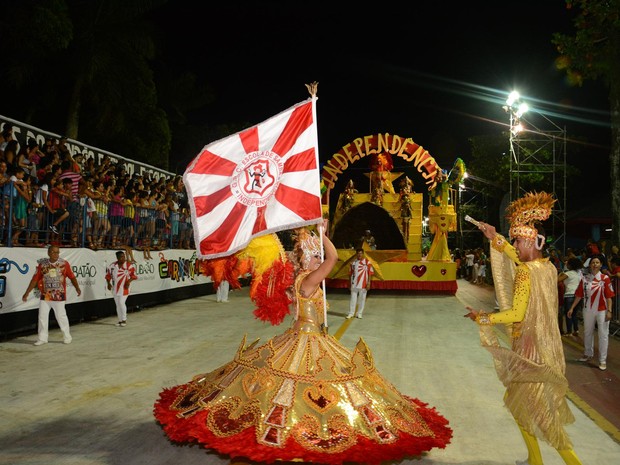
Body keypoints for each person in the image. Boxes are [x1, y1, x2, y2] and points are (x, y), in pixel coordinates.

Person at [154, 224, 452, 464]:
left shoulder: (303, 278)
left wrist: (317, 238)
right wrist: (324, 236)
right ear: (307, 260)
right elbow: (334, 260)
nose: (320, 259)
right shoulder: (309, 280)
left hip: (313, 335)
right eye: (315, 256)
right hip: (307, 339)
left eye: (317, 255)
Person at [464, 192, 583, 465]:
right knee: (518, 404)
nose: (515, 245)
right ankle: (534, 459)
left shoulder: (526, 273)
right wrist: (496, 238)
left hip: (531, 356)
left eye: (517, 240)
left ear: (530, 239)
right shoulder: (549, 267)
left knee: (546, 422)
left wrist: (482, 318)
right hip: (544, 351)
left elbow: (515, 314)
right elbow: (518, 258)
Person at [22, 245, 82, 345]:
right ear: (49, 253)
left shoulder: (64, 263)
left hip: (59, 296)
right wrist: (27, 292)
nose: (56, 254)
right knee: (42, 317)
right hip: (45, 295)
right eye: (53, 252)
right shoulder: (43, 264)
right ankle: (42, 338)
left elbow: (72, 277)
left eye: (57, 252)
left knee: (61, 316)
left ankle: (67, 336)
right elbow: (35, 280)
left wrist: (77, 288)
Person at [567, 255, 614, 371]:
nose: (595, 264)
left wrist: (609, 311)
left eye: (597, 262)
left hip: (602, 310)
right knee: (587, 332)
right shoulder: (584, 279)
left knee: (603, 335)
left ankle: (602, 360)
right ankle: (588, 354)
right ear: (590, 265)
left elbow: (609, 297)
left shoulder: (605, 278)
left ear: (600, 264)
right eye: (593, 262)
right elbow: (579, 295)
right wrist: (572, 308)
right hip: (588, 309)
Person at [105, 250, 138, 327]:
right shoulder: (112, 266)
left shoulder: (128, 265)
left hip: (124, 288)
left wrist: (128, 281)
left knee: (121, 302)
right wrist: (108, 283)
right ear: (118, 258)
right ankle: (120, 321)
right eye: (122, 257)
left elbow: (134, 276)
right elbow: (108, 276)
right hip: (115, 288)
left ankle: (124, 319)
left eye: (124, 256)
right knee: (117, 304)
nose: (124, 258)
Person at [557, 257, 584, 337]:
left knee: (568, 314)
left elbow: (557, 280)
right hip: (577, 296)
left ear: (571, 265)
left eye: (568, 263)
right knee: (574, 314)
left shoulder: (568, 273)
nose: (566, 264)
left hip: (569, 295)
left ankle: (569, 331)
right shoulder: (578, 274)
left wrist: (560, 274)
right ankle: (576, 330)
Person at [346, 247, 374, 319]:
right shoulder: (353, 263)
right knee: (353, 299)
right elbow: (350, 273)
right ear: (356, 254)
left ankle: (359, 313)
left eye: (361, 253)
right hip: (354, 284)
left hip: (363, 284)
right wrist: (349, 283)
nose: (359, 255)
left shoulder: (367, 262)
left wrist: (369, 283)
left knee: (362, 299)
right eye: (358, 253)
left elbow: (370, 273)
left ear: (363, 254)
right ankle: (351, 313)